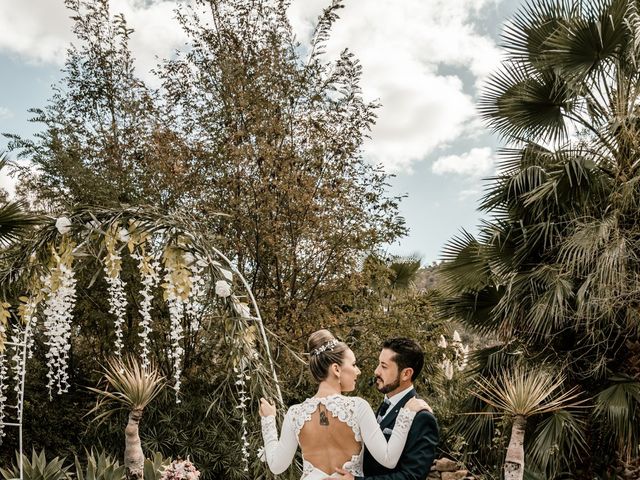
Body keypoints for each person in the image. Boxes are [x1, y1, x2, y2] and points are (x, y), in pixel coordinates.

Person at [259, 330, 431, 480]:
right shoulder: (358, 407)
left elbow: (276, 466)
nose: (358, 371)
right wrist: (406, 413)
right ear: (336, 369)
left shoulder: (295, 413)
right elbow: (389, 458)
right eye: (354, 364)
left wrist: (268, 420)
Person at [332, 337, 439, 480]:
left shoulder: (422, 417)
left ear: (406, 374)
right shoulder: (386, 405)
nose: (376, 371)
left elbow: (412, 476)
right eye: (379, 364)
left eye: (384, 366)